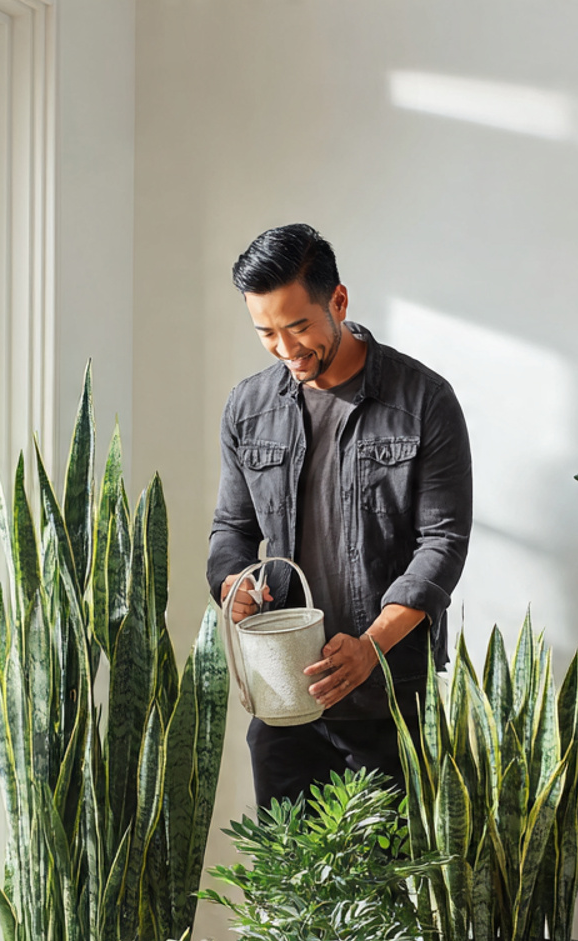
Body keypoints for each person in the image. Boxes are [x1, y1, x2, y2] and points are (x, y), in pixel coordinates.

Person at [207, 223, 472, 807]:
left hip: (389, 702)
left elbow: (443, 542)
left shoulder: (423, 401)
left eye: (298, 326)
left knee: (389, 869)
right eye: (266, 332)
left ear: (339, 301)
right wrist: (232, 583)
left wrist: (370, 646)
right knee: (285, 868)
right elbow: (232, 529)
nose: (286, 348)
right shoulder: (247, 408)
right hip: (282, 703)